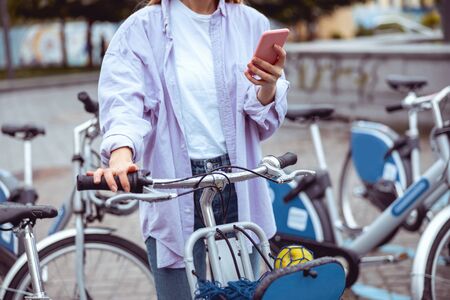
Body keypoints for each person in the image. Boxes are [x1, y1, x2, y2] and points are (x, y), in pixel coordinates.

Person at [89, 0, 289, 298]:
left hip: (237, 182)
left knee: (242, 293)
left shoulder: (251, 23)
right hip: (175, 187)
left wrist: (268, 87)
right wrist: (121, 153)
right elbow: (124, 100)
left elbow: (263, 122)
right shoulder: (141, 28)